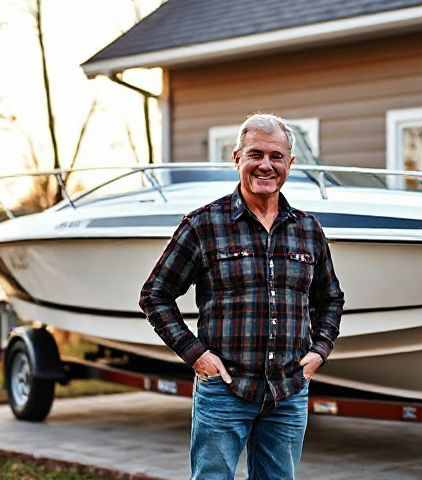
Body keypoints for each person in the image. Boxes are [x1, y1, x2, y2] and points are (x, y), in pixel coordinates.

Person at [139, 113, 345, 479]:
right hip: (224, 390)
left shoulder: (309, 230)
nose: (266, 165)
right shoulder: (203, 225)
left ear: (290, 164)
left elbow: (329, 298)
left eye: (276, 156)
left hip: (288, 391)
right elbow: (155, 295)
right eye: (255, 154)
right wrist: (196, 354)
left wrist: (320, 350)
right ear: (237, 159)